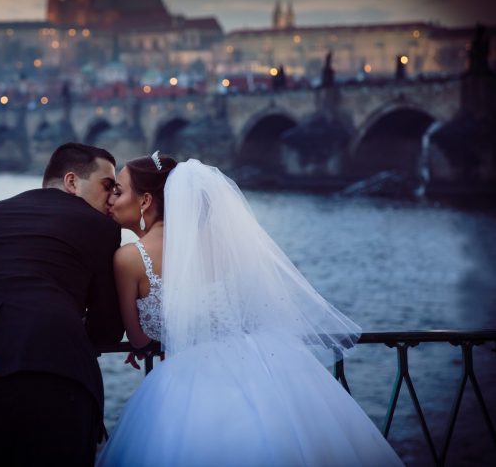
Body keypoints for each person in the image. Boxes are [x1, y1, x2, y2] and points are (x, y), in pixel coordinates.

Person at [97, 153, 404, 466]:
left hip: (193, 379)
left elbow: (136, 340)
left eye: (118, 191)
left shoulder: (129, 259)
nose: (110, 199)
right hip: (264, 363)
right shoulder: (221, 244)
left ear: (146, 200)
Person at [0, 143, 125, 466]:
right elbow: (107, 328)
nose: (112, 199)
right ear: (72, 182)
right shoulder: (100, 227)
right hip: (52, 383)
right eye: (107, 186)